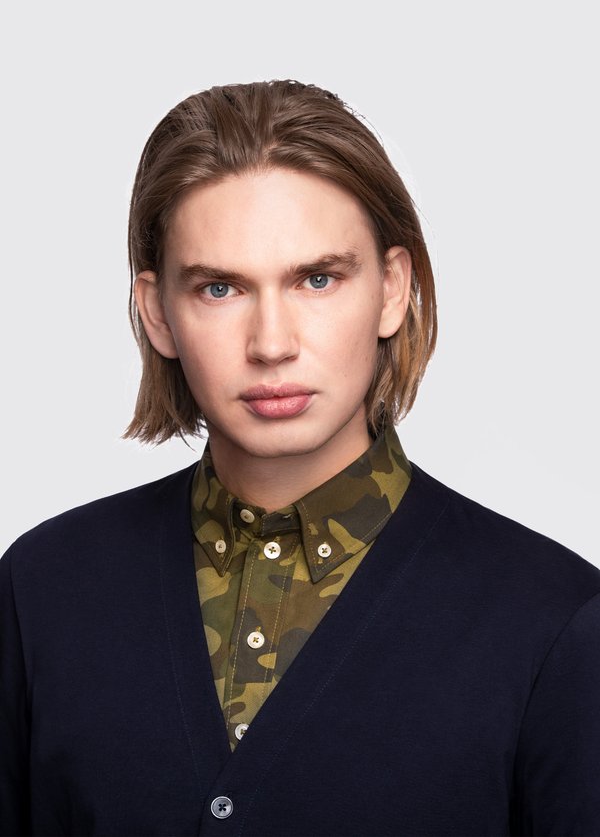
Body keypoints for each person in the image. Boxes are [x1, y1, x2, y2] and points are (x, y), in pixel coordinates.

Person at [1, 80, 598, 837]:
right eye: (220, 288)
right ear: (158, 313)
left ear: (392, 289)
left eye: (318, 279)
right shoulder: (42, 590)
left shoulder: (555, 620)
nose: (272, 343)